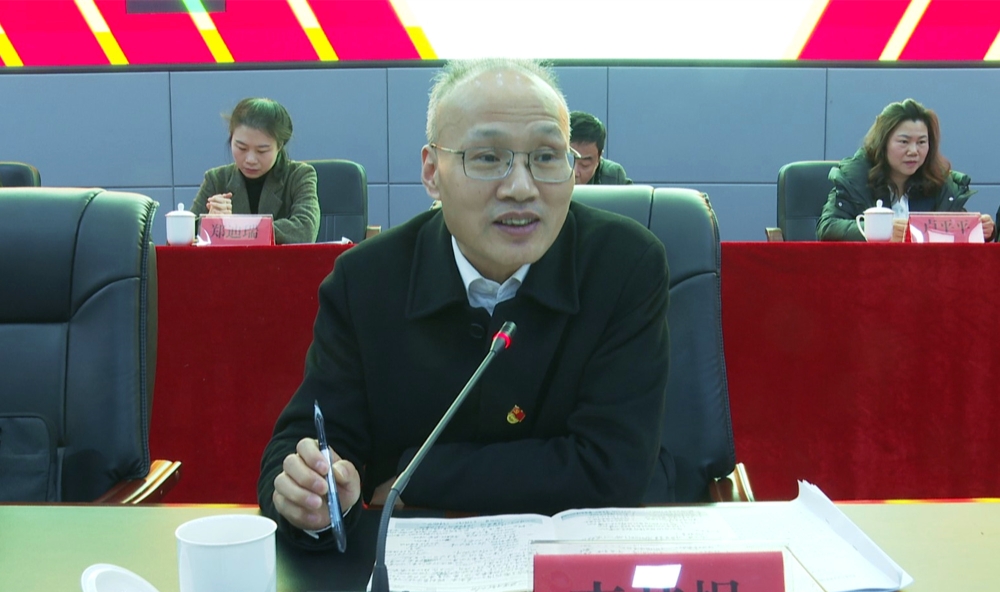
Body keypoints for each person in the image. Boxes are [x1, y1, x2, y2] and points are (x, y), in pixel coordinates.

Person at [258, 58, 671, 549]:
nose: (521, 188)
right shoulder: (366, 281)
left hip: (576, 565)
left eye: (546, 156)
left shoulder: (624, 265)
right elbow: (306, 441)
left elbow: (614, 467)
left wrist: (418, 476)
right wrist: (311, 494)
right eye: (488, 158)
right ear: (432, 172)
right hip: (412, 571)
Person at [817, 98, 995, 242]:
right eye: (904, 142)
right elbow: (827, 227)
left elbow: (956, 232)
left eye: (921, 142)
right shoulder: (855, 178)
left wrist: (982, 230)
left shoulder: (942, 184)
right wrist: (877, 230)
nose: (913, 151)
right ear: (883, 143)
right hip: (868, 271)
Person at [192, 97, 320, 244]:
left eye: (261, 150)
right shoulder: (216, 179)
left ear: (279, 146)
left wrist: (230, 229)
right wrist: (209, 223)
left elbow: (305, 230)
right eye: (241, 148)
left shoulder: (299, 176)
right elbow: (186, 233)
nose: (250, 159)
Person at [569, 110, 632, 185]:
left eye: (584, 164)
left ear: (598, 158)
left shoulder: (614, 177)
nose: (574, 172)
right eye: (568, 161)